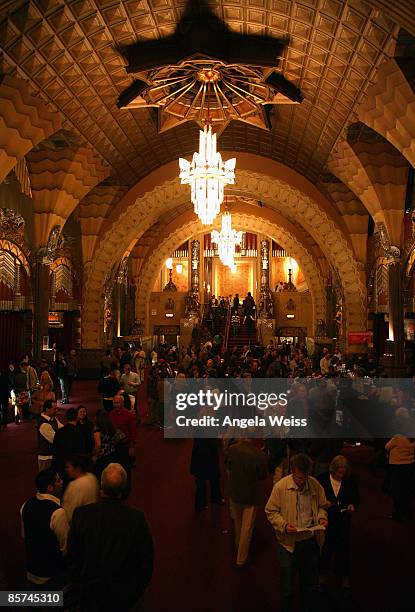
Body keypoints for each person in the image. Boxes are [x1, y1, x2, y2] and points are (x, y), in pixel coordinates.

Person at [68, 463, 154, 611]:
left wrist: (79, 584)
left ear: (101, 487)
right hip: (124, 594)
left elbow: (73, 555)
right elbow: (146, 559)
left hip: (90, 593)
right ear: (123, 490)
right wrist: (136, 591)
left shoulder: (81, 514)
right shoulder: (136, 519)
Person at [265, 453, 328, 612]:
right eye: (299, 478)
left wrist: (321, 517)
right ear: (292, 471)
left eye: (305, 477)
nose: (301, 482)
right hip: (288, 544)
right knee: (287, 586)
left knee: (309, 584)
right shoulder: (280, 486)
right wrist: (284, 526)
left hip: (309, 540)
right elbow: (270, 511)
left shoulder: (314, 484)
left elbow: (322, 506)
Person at [20, 469, 69, 587]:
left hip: (31, 571)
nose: (62, 482)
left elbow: (24, 535)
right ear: (50, 488)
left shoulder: (25, 505)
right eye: (58, 481)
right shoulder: (57, 512)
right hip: (52, 574)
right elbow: (65, 547)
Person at [318, 455, 360, 591]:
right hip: (326, 520)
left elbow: (356, 499)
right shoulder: (322, 480)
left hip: (343, 520)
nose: (341, 475)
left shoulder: (350, 481)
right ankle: (322, 576)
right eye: (338, 473)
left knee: (343, 549)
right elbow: (315, 499)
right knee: (325, 548)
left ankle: (344, 578)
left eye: (343, 472)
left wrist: (352, 506)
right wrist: (324, 505)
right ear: (332, 470)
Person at [226, 439, 268, 566]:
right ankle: (241, 558)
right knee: (247, 527)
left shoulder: (232, 450)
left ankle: (238, 544)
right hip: (251, 495)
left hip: (235, 491)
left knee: (238, 523)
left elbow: (228, 467)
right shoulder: (259, 455)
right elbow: (263, 475)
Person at [385, 411, 415, 522]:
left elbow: (387, 447)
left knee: (397, 492)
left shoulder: (397, 438)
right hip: (410, 467)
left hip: (397, 467)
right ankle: (408, 513)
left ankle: (398, 514)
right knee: (407, 492)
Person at [62, 456, 99, 523]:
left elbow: (70, 512)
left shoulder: (75, 485)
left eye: (68, 467)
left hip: (80, 524)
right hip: (93, 520)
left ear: (78, 468)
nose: (66, 469)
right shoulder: (92, 477)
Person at [190, 438, 223, 512]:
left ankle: (201, 505)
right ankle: (215, 498)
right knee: (213, 477)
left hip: (200, 452)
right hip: (209, 451)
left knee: (201, 480)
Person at [52, 407, 84, 481]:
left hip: (60, 465)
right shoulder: (78, 433)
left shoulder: (59, 432)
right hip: (73, 467)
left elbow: (55, 449)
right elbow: (81, 451)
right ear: (77, 417)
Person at [108, 394, 136, 468]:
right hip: (114, 445)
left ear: (122, 403)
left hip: (125, 445)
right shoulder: (111, 414)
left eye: (118, 403)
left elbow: (133, 432)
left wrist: (132, 447)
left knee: (126, 466)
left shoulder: (129, 415)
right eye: (114, 403)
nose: (116, 405)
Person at [38, 399, 64, 472]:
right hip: (46, 458)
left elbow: (62, 428)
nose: (56, 410)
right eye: (54, 409)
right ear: (47, 409)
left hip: (52, 455)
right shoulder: (44, 424)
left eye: (57, 408)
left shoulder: (53, 419)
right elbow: (55, 439)